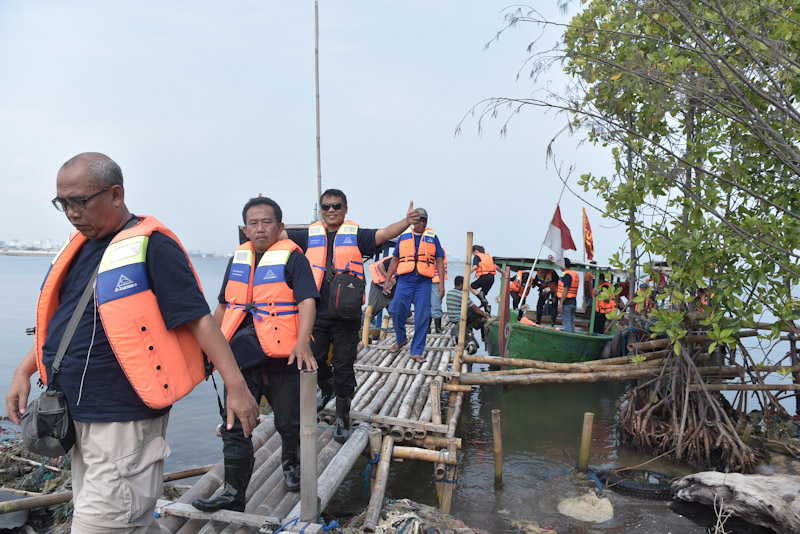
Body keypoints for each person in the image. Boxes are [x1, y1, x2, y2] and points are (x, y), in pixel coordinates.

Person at [4, 153, 259, 534]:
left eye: (80, 201)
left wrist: (237, 387)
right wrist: (24, 370)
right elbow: (66, 322)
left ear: (116, 193)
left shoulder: (153, 246)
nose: (71, 213)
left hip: (124, 418)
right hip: (79, 412)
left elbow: (199, 320)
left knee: (103, 522)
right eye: (63, 203)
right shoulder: (80, 247)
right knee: (128, 521)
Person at [192, 197, 319, 512]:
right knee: (235, 424)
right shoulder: (238, 259)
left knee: (290, 423)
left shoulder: (294, 259)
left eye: (266, 222)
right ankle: (233, 493)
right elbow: (223, 306)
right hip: (240, 357)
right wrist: (209, 350)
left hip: (285, 357)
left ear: (279, 226)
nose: (260, 228)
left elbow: (307, 302)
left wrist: (303, 342)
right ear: (245, 228)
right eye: (253, 223)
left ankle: (292, 465)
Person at [282, 189, 419, 443]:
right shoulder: (307, 236)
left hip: (346, 315)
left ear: (345, 209)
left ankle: (343, 417)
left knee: (344, 366)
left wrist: (406, 221)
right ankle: (327, 386)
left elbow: (385, 234)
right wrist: (260, 214)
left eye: (336, 206)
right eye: (326, 207)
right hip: (316, 314)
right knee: (314, 361)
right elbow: (277, 234)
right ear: (321, 210)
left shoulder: (356, 235)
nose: (331, 210)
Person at [383, 208, 445, 364]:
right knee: (395, 310)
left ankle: (417, 351)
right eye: (419, 220)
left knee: (422, 316)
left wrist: (441, 284)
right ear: (413, 221)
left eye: (424, 220)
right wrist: (387, 279)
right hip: (405, 280)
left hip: (423, 282)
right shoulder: (404, 237)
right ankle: (401, 338)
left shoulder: (433, 238)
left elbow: (439, 260)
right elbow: (395, 260)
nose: (422, 223)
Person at [470, 245, 496, 312]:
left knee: (471, 287)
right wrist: (502, 272)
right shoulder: (488, 257)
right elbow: (495, 266)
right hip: (492, 278)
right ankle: (487, 310)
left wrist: (468, 273)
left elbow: (475, 266)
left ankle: (483, 301)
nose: (473, 254)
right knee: (482, 293)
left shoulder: (477, 256)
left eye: (472, 253)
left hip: (484, 277)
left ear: (475, 251)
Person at [557, 258, 580, 333]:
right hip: (573, 302)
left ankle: (568, 338)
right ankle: (573, 336)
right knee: (571, 322)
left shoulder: (567, 275)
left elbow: (565, 290)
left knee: (566, 323)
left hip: (566, 303)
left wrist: (561, 304)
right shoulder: (574, 274)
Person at [430, 251, 448, 333]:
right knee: (425, 306)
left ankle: (438, 329)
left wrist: (441, 284)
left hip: (435, 281)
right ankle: (426, 329)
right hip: (424, 281)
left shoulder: (437, 249)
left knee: (436, 304)